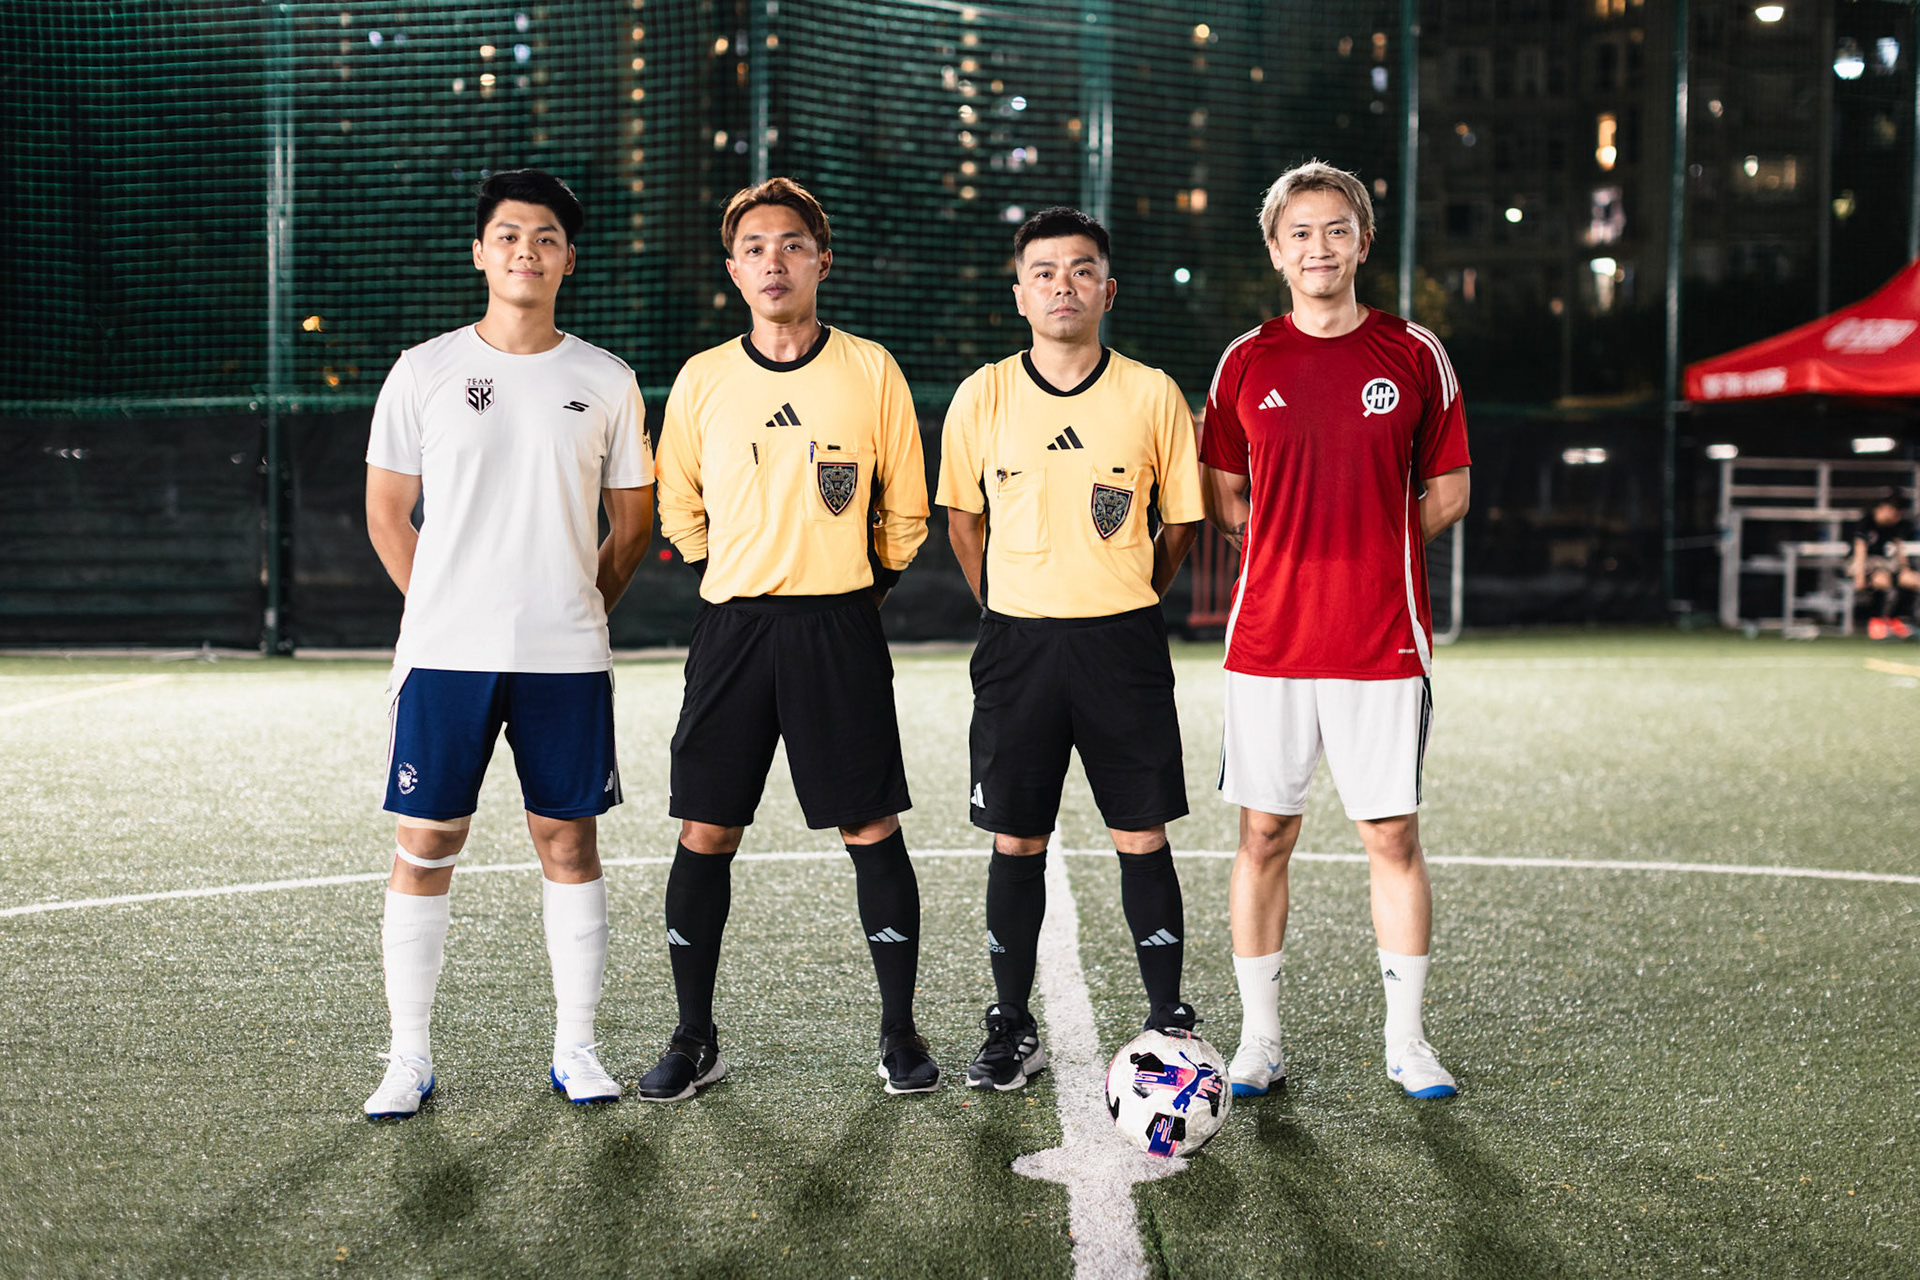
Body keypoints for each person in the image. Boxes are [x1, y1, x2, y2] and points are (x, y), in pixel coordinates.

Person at [360, 169, 655, 1120]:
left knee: (568, 840)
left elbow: (633, 523)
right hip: (446, 655)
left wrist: (579, 602)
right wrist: (445, 605)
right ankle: (408, 1056)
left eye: (546, 239)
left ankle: (577, 1048)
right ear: (480, 252)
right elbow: (387, 511)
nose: (526, 250)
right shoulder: (424, 370)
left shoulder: (605, 380)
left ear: (569, 259)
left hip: (565, 655)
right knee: (427, 839)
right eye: (508, 235)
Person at [645, 177, 936, 1099]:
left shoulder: (870, 370)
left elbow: (904, 510)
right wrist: (731, 577)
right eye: (756, 249)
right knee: (706, 828)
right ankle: (694, 1037)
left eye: (792, 245)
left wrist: (853, 592)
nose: (775, 261)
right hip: (733, 627)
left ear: (822, 260)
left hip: (837, 626)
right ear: (734, 270)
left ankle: (899, 1034)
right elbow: (678, 507)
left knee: (868, 823)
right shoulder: (703, 378)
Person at [1199, 161, 1471, 1101]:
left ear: (1362, 241)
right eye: (1301, 233)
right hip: (1268, 640)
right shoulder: (1245, 362)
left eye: (1337, 229)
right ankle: (1259, 1043)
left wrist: (1369, 547)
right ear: (1276, 252)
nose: (1320, 247)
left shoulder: (1413, 355)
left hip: (1380, 637)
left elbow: (1449, 490)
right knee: (1264, 833)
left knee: (1390, 835)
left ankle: (1407, 1043)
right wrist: (1295, 549)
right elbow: (1226, 495)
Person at [936, 207, 1205, 1091]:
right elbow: (963, 520)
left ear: (1108, 289)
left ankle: (1168, 1019)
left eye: (1082, 270)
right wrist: (1009, 604)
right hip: (1017, 647)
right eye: (1045, 272)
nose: (1063, 285)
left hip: (1121, 645)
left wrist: (1121, 597)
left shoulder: (1152, 394)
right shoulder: (983, 394)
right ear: (1020, 295)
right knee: (1016, 839)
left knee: (1140, 832)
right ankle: (1011, 1024)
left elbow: (1179, 526)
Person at [1850, 492, 1918, 639]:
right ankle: (1875, 621)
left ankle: (1895, 619)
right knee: (1881, 579)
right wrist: (1859, 575)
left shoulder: (1894, 525)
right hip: (1862, 563)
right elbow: (1859, 549)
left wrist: (1905, 569)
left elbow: (1899, 549)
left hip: (1884, 564)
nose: (1897, 516)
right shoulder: (1866, 522)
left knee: (1913, 580)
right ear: (1885, 508)